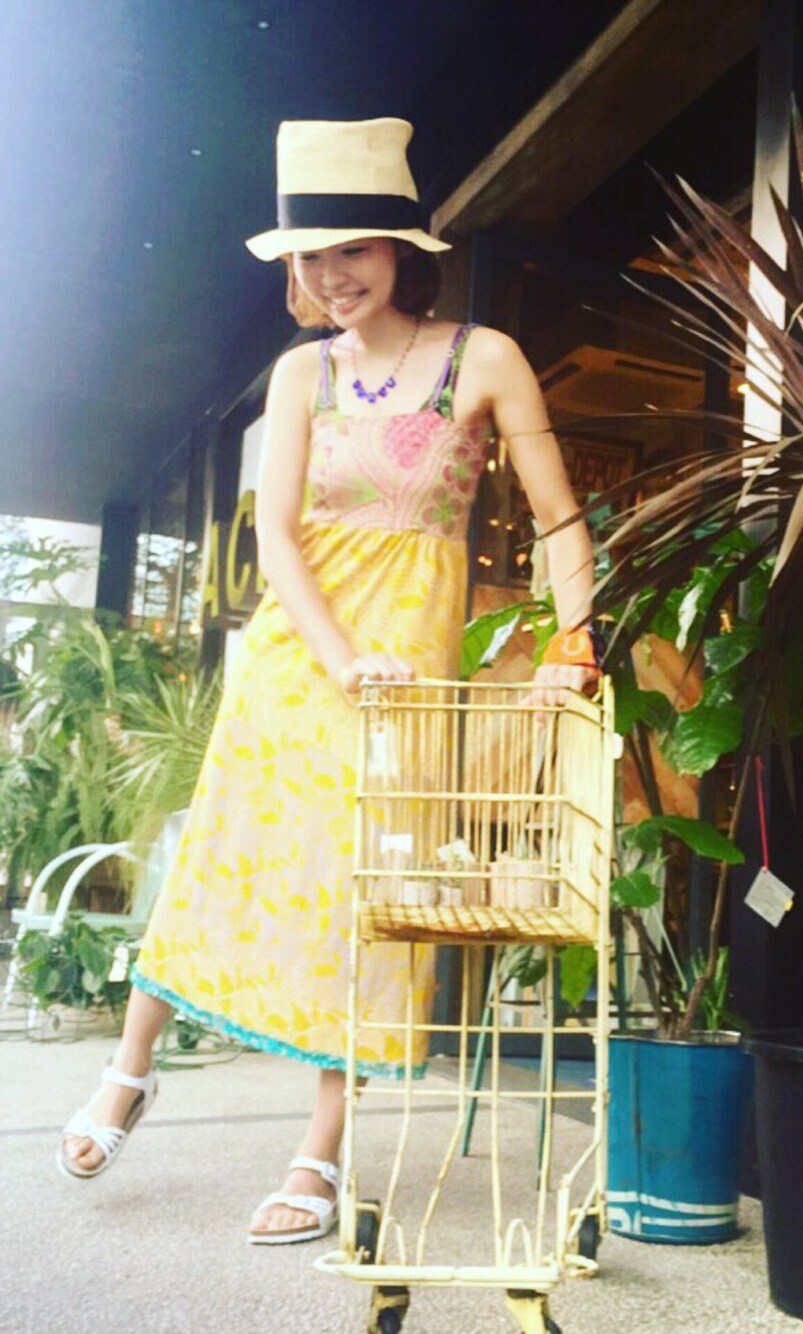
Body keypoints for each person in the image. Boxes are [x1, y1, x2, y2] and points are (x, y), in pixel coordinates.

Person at [57, 118, 601, 1244]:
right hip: (302, 657)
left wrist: (574, 644)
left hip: (410, 678)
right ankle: (130, 1071)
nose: (332, 273)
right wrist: (342, 656)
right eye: (311, 255)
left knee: (369, 891)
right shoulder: (300, 372)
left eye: (352, 247)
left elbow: (558, 519)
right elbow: (278, 540)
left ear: (400, 248)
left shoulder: (484, 357)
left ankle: (318, 1152)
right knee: (222, 853)